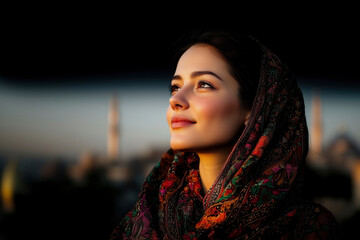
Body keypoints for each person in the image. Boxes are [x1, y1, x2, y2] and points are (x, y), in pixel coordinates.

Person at [110, 30, 342, 239]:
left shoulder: (307, 229)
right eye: (175, 87)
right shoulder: (148, 212)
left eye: (204, 85)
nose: (175, 100)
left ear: (255, 109)